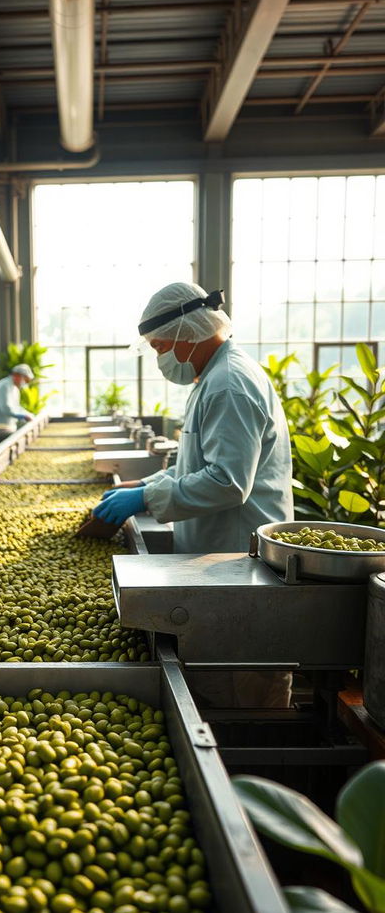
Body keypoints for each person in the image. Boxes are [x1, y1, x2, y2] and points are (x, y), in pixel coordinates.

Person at [93, 281, 294, 709]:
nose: (162, 358)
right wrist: (148, 486)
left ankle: (244, 771)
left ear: (188, 334)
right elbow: (200, 466)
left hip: (239, 565)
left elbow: (227, 482)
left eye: (161, 346)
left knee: (244, 698)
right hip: (219, 564)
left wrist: (147, 499)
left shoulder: (228, 384)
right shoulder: (214, 378)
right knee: (217, 686)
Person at [0, 364, 35, 432]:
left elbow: (17, 407)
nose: (25, 383)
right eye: (25, 380)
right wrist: (24, 416)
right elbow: (5, 408)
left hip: (5, 426)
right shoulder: (4, 386)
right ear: (17, 375)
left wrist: (28, 414)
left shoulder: (15, 388)